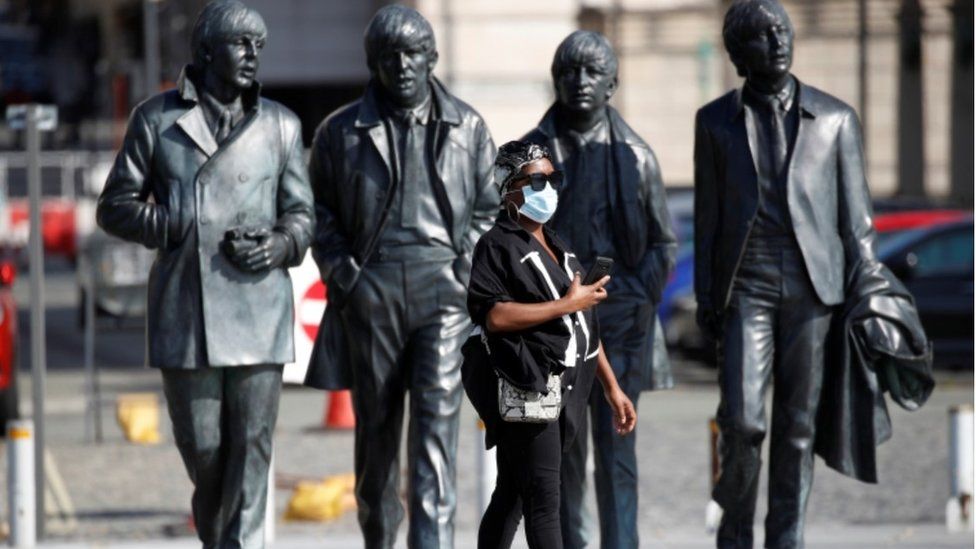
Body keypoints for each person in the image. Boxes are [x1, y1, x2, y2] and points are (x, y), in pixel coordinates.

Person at [96, 1, 314, 547]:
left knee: (253, 446)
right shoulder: (157, 120)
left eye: (259, 46)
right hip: (186, 313)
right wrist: (167, 222)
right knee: (206, 450)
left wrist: (280, 243)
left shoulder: (281, 126)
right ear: (207, 50)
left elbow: (303, 216)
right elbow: (114, 206)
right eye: (241, 43)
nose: (252, 55)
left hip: (259, 308)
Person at [302, 5, 498, 548]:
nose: (403, 64)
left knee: (435, 440)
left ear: (432, 57)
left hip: (445, 293)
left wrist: (464, 275)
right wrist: (346, 276)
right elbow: (317, 213)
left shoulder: (470, 126)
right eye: (389, 55)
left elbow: (490, 211)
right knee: (377, 445)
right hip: (374, 289)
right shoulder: (340, 133)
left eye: (413, 53)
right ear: (373, 64)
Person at [693, 1, 879, 547]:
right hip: (745, 283)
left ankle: (786, 538)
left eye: (783, 31)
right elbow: (707, 221)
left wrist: (869, 289)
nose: (777, 42)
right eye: (761, 36)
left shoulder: (837, 119)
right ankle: (734, 529)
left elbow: (858, 223)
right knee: (745, 422)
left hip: (812, 289)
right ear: (737, 55)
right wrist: (707, 294)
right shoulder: (714, 121)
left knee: (797, 429)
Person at [522, 30, 676, 549]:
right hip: (552, 323)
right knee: (559, 454)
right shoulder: (528, 157)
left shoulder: (636, 155)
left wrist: (638, 299)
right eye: (569, 71)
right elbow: (505, 235)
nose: (579, 81)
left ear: (612, 84)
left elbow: (662, 243)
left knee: (617, 454)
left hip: (620, 320)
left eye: (592, 72)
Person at [467, 140, 637, 549]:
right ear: (510, 188)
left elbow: (584, 323)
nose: (548, 188)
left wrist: (612, 388)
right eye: (537, 179)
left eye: (552, 178)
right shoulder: (497, 245)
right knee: (544, 501)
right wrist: (566, 303)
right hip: (531, 387)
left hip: (568, 393)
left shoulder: (559, 246)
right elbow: (494, 315)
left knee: (510, 495)